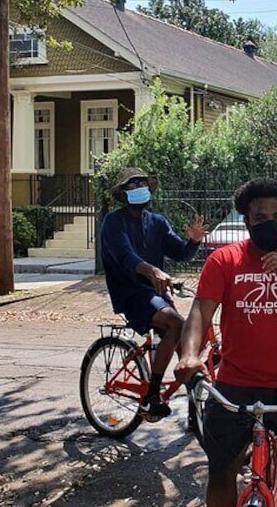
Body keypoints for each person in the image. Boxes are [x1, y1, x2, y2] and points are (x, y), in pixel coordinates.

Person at [174, 178, 277, 507]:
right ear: (247, 221)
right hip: (235, 384)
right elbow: (200, 312)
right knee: (221, 471)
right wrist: (189, 354)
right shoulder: (224, 261)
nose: (271, 222)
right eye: (261, 217)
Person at [100, 167, 207, 421]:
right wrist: (152, 271)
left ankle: (196, 414)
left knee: (187, 347)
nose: (140, 188)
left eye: (143, 184)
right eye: (133, 185)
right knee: (176, 323)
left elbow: (180, 253)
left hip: (156, 294)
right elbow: (125, 256)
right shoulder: (113, 222)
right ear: (124, 194)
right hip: (130, 294)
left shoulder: (157, 222)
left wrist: (193, 241)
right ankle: (151, 396)